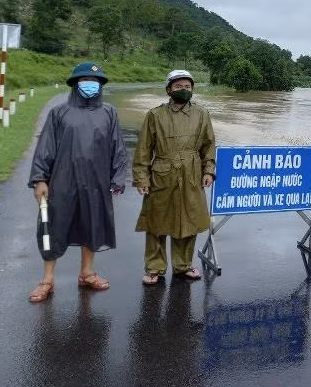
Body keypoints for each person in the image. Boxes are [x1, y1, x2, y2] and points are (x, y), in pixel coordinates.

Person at [28, 62, 128, 303]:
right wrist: (40, 178)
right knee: (52, 227)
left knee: (91, 225)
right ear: (75, 84)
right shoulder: (59, 113)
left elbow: (118, 148)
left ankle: (87, 273)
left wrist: (117, 178)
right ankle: (47, 280)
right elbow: (45, 148)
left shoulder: (109, 113)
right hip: (62, 181)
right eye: (84, 81)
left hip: (96, 182)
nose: (90, 85)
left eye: (95, 81)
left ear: (101, 85)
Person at [133, 70, 216, 284]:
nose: (184, 90)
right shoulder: (155, 115)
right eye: (179, 87)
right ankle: (154, 268)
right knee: (156, 222)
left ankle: (183, 266)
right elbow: (143, 149)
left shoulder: (202, 114)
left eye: (187, 87)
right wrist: (142, 178)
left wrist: (208, 171)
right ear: (169, 89)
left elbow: (208, 146)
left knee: (188, 221)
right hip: (162, 173)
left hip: (191, 174)